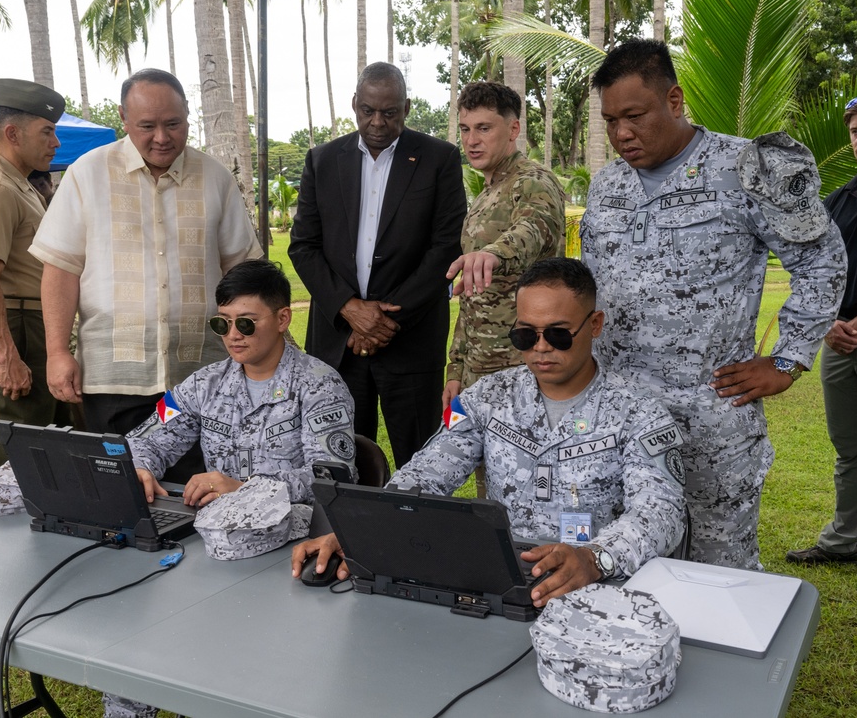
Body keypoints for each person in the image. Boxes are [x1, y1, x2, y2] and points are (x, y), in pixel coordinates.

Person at [579, 39, 847, 570]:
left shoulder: (745, 168)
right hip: (617, 414)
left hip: (710, 415)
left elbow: (823, 260)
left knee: (718, 568)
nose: (622, 134)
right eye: (611, 121)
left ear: (674, 101)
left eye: (634, 115)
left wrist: (789, 359)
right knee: (626, 558)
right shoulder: (607, 185)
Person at [293, 258, 686, 607]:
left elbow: (661, 511)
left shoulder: (640, 413)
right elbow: (430, 469)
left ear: (595, 325)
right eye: (526, 335)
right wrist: (367, 531)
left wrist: (596, 557)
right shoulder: (484, 397)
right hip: (500, 587)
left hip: (595, 592)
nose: (541, 348)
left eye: (559, 333)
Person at [105, 260, 356, 718]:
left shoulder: (319, 386)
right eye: (222, 324)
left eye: (246, 322)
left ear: (282, 319)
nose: (233, 335)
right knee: (136, 653)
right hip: (210, 548)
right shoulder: (206, 383)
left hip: (289, 550)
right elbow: (148, 437)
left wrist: (247, 486)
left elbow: (334, 479)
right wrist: (138, 465)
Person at [31, 69, 262, 482]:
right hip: (116, 380)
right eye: (147, 126)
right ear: (123, 118)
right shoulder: (88, 173)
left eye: (173, 124)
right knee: (119, 485)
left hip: (195, 380)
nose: (162, 137)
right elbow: (61, 269)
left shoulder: (215, 178)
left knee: (194, 486)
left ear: (188, 116)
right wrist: (58, 353)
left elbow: (241, 270)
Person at [289, 61, 466, 469]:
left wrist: (383, 321)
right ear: (355, 104)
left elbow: (445, 247)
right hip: (338, 344)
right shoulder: (322, 160)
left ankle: (417, 533)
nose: (378, 122)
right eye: (368, 110)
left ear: (406, 108)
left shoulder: (439, 159)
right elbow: (303, 246)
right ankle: (343, 535)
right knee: (337, 461)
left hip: (410, 341)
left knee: (419, 463)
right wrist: (350, 309)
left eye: (389, 112)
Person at [442, 81, 566, 495]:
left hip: (523, 368)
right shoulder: (486, 190)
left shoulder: (532, 182)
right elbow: (472, 296)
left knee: (524, 489)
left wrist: (493, 254)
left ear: (513, 130)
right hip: (478, 374)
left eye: (484, 128)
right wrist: (456, 370)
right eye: (464, 129)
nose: (471, 141)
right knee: (487, 482)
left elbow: (535, 229)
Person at [786, 92, 857, 567]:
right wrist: (830, 323)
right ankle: (844, 543)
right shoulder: (838, 200)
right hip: (839, 342)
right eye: (854, 131)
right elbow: (817, 269)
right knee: (850, 449)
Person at [0, 79, 65, 474]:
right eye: (47, 132)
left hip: (33, 320)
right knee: (19, 441)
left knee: (42, 434)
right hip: (17, 323)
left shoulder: (17, 182)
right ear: (12, 133)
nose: (55, 142)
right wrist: (7, 356)